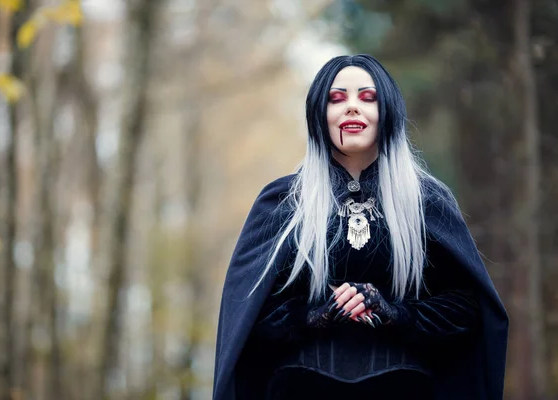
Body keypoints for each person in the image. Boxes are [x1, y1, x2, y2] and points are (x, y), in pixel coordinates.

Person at [213, 54, 508, 400]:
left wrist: (395, 312)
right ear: (318, 114)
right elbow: (247, 318)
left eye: (367, 97)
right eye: (336, 98)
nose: (352, 108)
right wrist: (314, 314)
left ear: (388, 111)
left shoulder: (427, 200)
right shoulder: (282, 202)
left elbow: (466, 310)